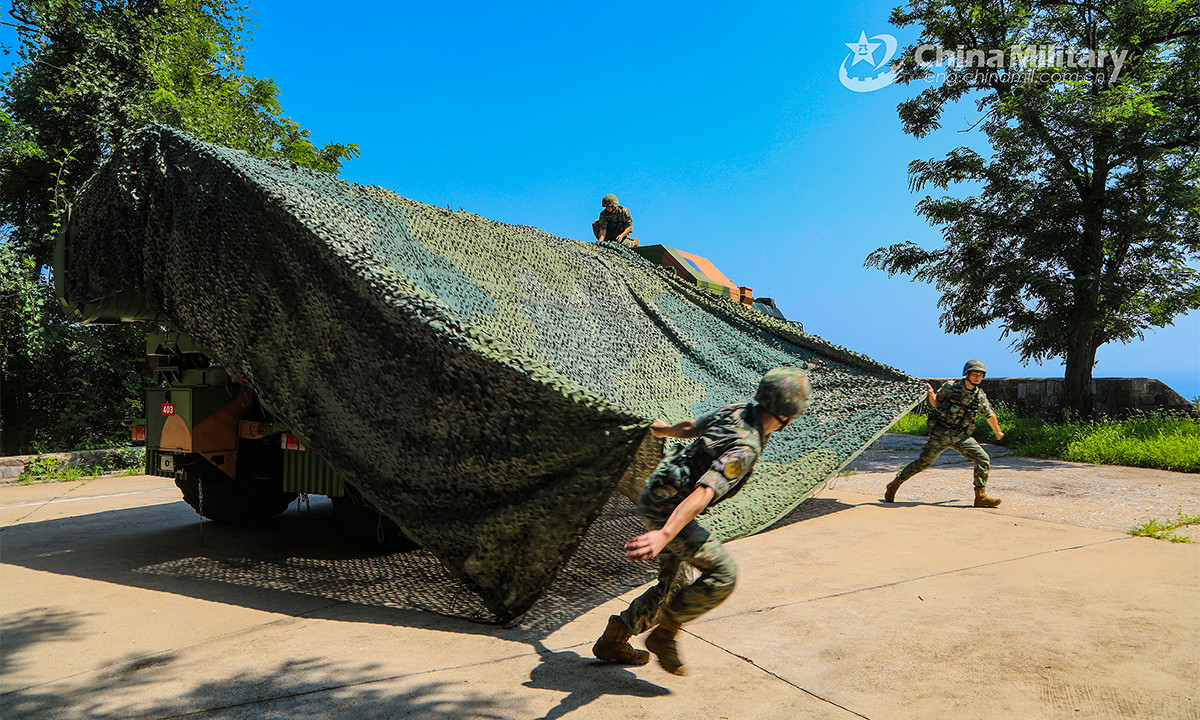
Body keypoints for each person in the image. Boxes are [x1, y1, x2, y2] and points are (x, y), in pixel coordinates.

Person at [592, 368, 812, 675]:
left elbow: (691, 427)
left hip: (657, 495)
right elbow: (704, 492)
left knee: (675, 586)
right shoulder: (746, 447)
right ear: (788, 416)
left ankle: (614, 638)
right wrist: (665, 534)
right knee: (723, 573)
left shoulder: (737, 411)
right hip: (670, 511)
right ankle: (663, 635)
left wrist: (664, 430)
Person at [885, 360, 1004, 508]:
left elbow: (989, 414)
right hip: (941, 433)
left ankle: (980, 496)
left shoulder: (979, 396)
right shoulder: (951, 387)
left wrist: (997, 431)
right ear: (967, 374)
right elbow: (936, 403)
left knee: (982, 458)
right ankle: (895, 484)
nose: (977, 377)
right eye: (974, 374)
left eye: (980, 375)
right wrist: (931, 394)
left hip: (960, 436)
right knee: (923, 463)